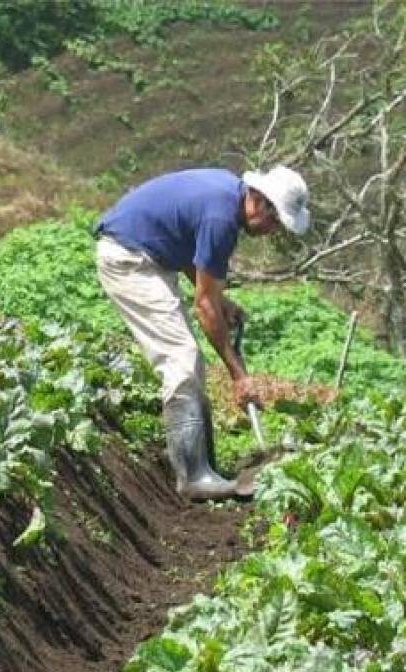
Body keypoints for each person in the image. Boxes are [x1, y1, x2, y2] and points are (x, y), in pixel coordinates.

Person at [95, 166, 310, 500]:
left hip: (149, 254)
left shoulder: (226, 195)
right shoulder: (221, 219)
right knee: (181, 357)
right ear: (259, 202)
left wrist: (220, 300)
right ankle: (193, 476)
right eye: (275, 221)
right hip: (129, 259)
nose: (272, 231)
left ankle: (204, 465)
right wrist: (239, 376)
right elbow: (204, 307)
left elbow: (185, 250)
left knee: (188, 356)